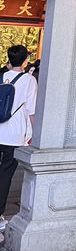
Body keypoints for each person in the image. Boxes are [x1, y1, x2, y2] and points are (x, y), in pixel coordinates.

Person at [0, 45, 37, 232]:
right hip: (14, 135)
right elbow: (31, 110)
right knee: (5, 174)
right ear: (25, 61)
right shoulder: (29, 80)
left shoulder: (1, 77)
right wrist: (35, 132)